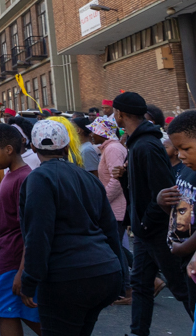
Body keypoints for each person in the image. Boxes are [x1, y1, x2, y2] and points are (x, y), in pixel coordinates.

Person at [19, 119, 122, 336]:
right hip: (105, 271)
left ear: (34, 148)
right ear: (67, 147)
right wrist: (122, 276)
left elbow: (38, 234)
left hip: (67, 277)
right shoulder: (88, 178)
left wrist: (29, 280)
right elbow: (110, 229)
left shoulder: (39, 178)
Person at [115, 91, 191, 336]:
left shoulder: (147, 145)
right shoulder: (136, 142)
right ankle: (138, 331)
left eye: (184, 148)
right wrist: (125, 176)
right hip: (146, 232)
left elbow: (166, 193)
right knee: (140, 284)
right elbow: (149, 190)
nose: (180, 155)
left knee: (182, 289)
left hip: (157, 233)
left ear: (120, 113)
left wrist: (147, 224)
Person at [0, 123, 39, 336]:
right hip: (7, 258)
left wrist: (22, 272)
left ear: (8, 149)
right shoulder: (9, 174)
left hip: (15, 261)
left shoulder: (23, 178)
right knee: (9, 314)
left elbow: (30, 230)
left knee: (26, 315)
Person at [87, 114, 131, 303]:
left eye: (94, 132)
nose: (91, 135)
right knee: (117, 247)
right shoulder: (109, 148)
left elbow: (117, 179)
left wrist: (102, 200)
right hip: (112, 206)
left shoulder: (113, 149)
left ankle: (128, 289)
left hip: (115, 207)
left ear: (102, 133)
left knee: (117, 248)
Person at [160, 111, 196, 315]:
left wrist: (182, 248)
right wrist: (163, 202)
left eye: (186, 149)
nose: (180, 155)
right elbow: (183, 210)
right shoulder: (187, 169)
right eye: (177, 149)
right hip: (187, 258)